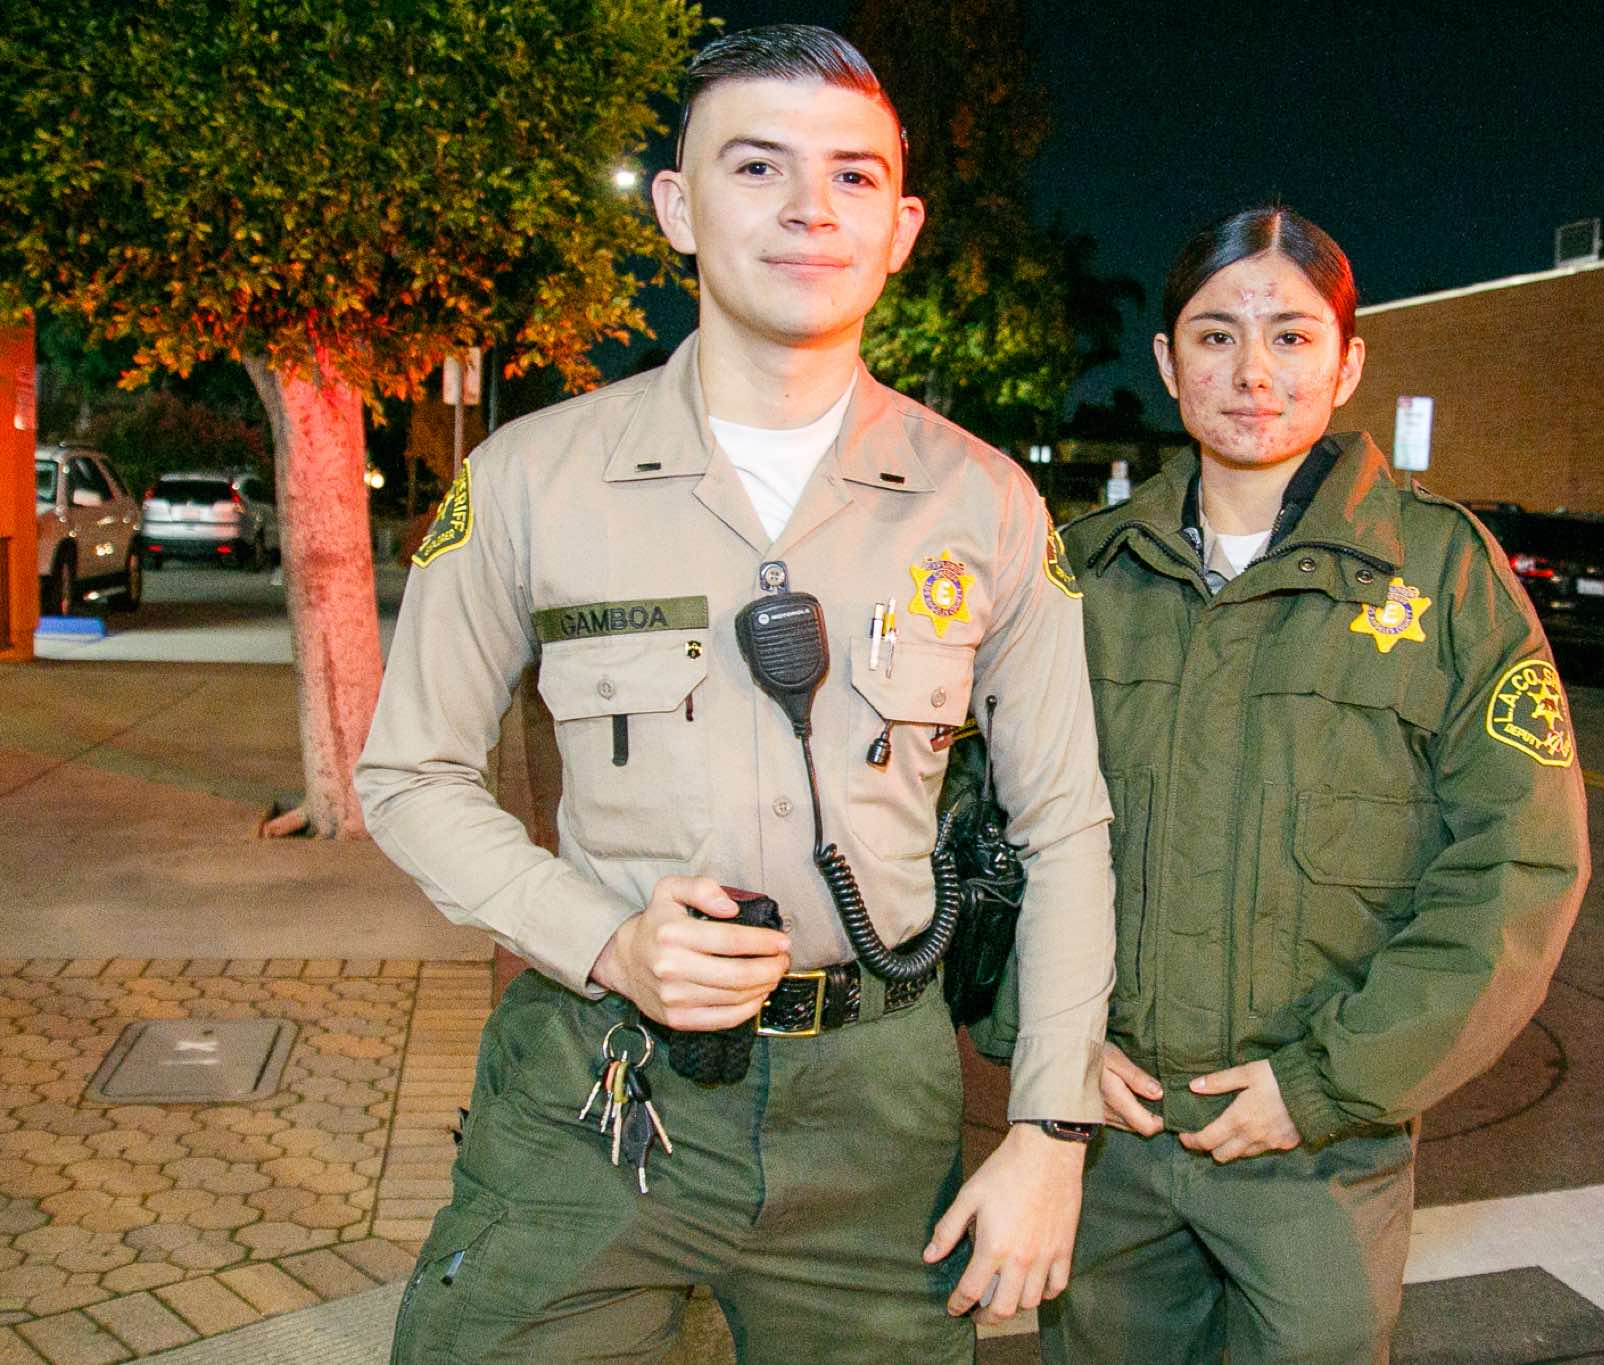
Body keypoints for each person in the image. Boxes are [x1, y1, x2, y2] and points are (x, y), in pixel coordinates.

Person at [355, 26, 1113, 1363]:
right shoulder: (528, 478)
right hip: (604, 1089)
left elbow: (1063, 828)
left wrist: (1051, 1131)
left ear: (901, 228)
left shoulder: (986, 502)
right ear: (676, 206)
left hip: (878, 1118)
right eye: (756, 165)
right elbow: (409, 776)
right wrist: (605, 941)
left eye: (854, 175)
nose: (810, 208)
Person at [1038, 206, 1589, 1365]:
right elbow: (994, 831)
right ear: (1165, 362)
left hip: (1318, 1156)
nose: (1252, 372)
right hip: (1112, 1138)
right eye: (1215, 335)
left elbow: (1516, 868)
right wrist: (1043, 1037)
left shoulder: (1445, 578)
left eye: (1290, 336)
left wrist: (1327, 1084)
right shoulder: (1083, 574)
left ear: (1346, 365)